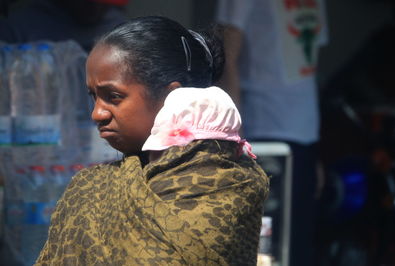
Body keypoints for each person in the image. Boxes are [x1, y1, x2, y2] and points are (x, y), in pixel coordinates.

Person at [35, 16, 269, 265]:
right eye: (94, 97)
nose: (97, 114)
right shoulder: (89, 189)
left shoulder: (228, 185)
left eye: (113, 97)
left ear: (172, 97)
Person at [216, 1, 328, 266]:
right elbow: (226, 53)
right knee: (266, 249)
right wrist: (233, 133)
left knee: (297, 244)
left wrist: (316, 146)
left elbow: (308, 67)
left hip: (303, 136)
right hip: (261, 132)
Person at [0, 0, 128, 52]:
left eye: (104, 4)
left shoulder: (117, 25)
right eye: (87, 2)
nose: (95, 9)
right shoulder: (19, 27)